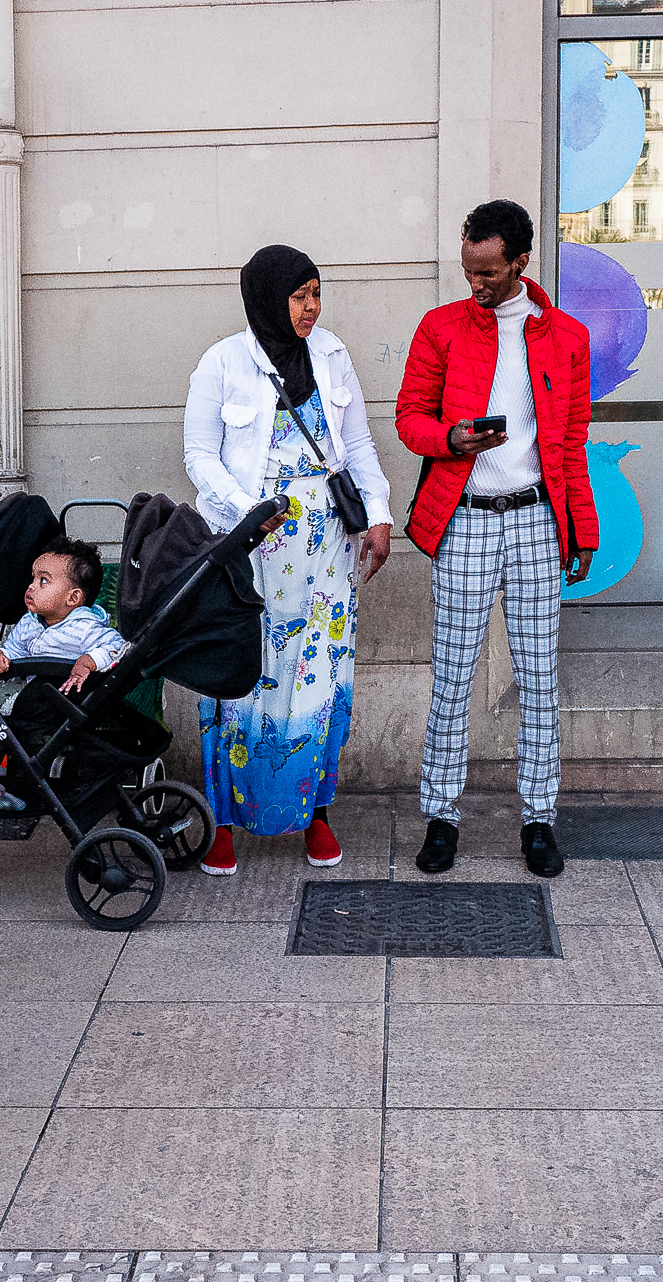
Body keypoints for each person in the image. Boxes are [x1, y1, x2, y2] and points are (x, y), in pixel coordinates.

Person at [394, 200, 599, 879]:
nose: (476, 283)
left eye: (488, 272)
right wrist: (451, 439)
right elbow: (409, 418)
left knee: (540, 678)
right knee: (452, 678)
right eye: (468, 270)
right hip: (467, 517)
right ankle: (441, 816)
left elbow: (572, 444)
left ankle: (539, 818)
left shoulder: (566, 336)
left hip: (539, 518)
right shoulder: (441, 328)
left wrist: (583, 530)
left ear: (520, 261)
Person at [183, 243, 393, 876]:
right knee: (241, 673)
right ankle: (223, 822)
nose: (311, 307)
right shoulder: (221, 363)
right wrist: (250, 510)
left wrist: (378, 515)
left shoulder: (329, 355)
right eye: (300, 296)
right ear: (268, 298)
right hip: (250, 549)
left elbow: (354, 442)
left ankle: (315, 814)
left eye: (317, 294)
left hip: (327, 551)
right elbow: (200, 456)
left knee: (319, 679)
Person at [0, 537, 128, 695]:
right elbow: (17, 652)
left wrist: (88, 662)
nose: (31, 586)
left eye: (43, 580)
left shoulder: (84, 627)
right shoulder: (29, 622)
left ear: (72, 598)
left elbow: (118, 646)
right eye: (34, 578)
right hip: (36, 697)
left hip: (68, 699)